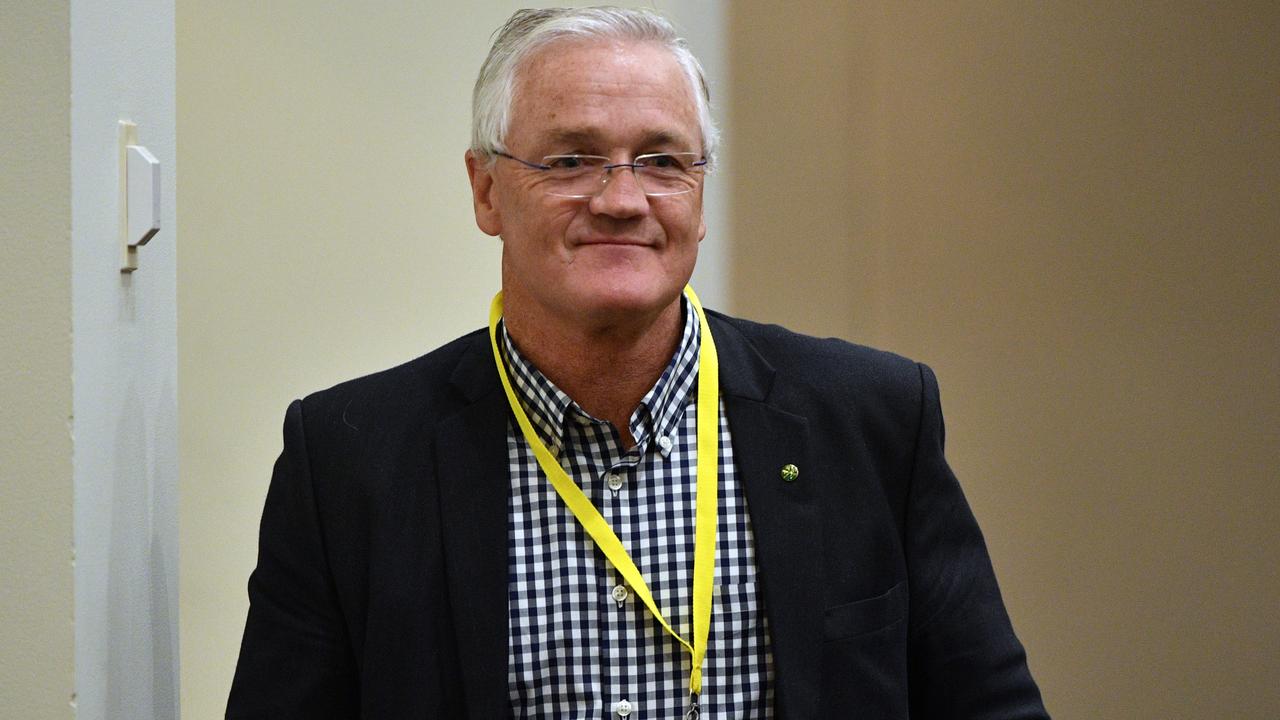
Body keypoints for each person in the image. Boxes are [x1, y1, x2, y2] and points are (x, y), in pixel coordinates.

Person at [227, 7, 1049, 719]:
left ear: (699, 190)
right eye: (571, 159)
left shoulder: (870, 421)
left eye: (661, 160)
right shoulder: (349, 460)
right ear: (486, 192)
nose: (622, 199)